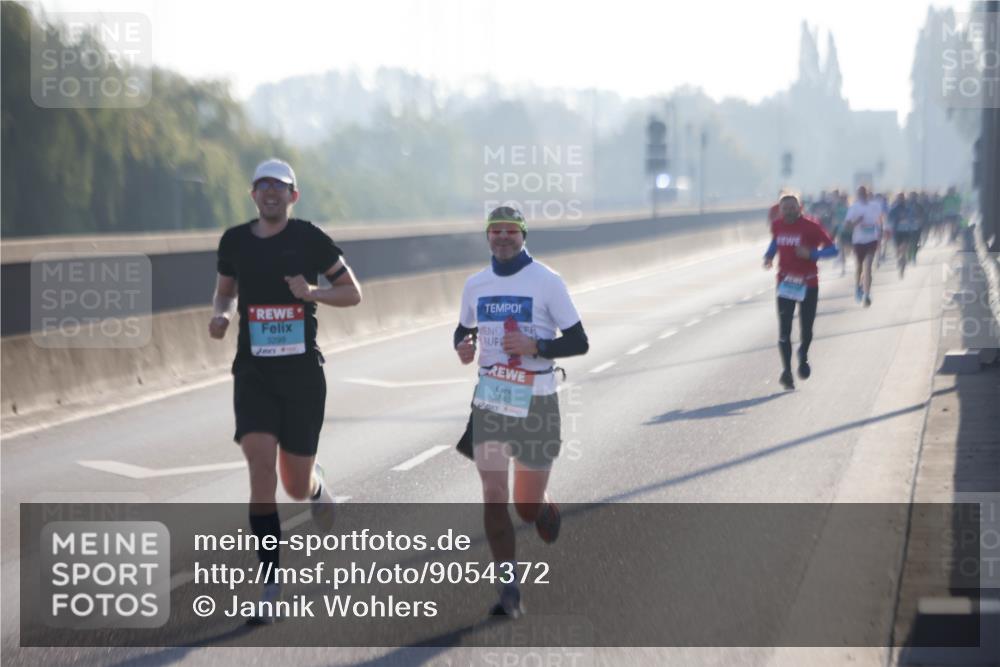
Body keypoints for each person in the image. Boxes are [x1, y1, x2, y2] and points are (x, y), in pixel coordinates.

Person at [210, 158, 362, 624]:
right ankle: (270, 582)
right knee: (260, 471)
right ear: (253, 195)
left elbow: (352, 292)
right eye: (262, 186)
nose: (270, 193)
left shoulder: (309, 239)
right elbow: (225, 291)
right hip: (253, 373)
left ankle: (316, 487)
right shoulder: (234, 240)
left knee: (294, 484)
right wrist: (221, 314)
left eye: (280, 187)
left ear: (293, 196)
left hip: (300, 377)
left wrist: (312, 294)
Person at [454, 205, 590, 618]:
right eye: (496, 232)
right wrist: (463, 346)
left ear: (524, 235)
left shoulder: (548, 281)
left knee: (524, 507)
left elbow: (579, 341)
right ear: (488, 237)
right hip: (493, 395)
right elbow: (464, 328)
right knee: (493, 494)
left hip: (538, 398)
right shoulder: (476, 284)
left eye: (511, 231)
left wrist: (537, 347)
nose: (503, 238)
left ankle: (542, 505)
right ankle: (508, 588)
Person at [763, 193, 837, 390]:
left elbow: (833, 250)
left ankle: (803, 354)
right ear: (780, 210)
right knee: (784, 330)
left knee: (807, 328)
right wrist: (769, 256)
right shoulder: (777, 226)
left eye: (792, 207)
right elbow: (775, 243)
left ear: (800, 208)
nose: (788, 211)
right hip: (785, 283)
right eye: (784, 208)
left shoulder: (812, 227)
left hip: (808, 283)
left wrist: (812, 254)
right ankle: (786, 372)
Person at [845, 185, 883, 308]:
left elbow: (880, 220)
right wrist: (857, 221)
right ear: (857, 195)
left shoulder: (875, 206)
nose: (863, 195)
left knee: (868, 267)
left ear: (868, 193)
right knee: (859, 268)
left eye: (864, 193)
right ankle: (858, 287)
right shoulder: (854, 207)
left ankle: (866, 294)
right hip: (858, 241)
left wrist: (880, 232)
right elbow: (847, 226)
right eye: (860, 193)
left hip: (872, 240)